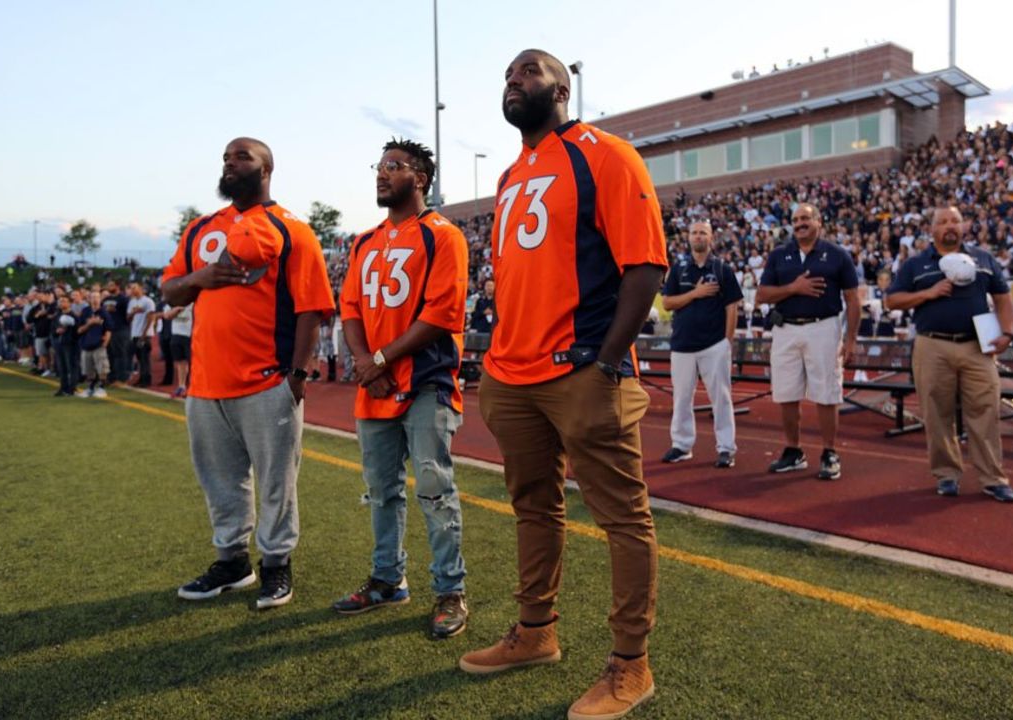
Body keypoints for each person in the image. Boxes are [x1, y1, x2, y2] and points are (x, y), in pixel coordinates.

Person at [457, 49, 666, 720]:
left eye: (527, 70)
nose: (512, 81)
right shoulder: (514, 173)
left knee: (622, 519)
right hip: (513, 372)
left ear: (561, 87)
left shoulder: (605, 154)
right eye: (507, 76)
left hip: (579, 368)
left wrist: (606, 362)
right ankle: (535, 631)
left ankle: (631, 665)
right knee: (533, 507)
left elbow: (646, 266)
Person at [163, 137, 335, 609]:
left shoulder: (293, 228)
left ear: (267, 168)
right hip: (205, 384)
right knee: (219, 480)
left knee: (277, 481)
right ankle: (232, 562)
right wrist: (200, 278)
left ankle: (277, 565)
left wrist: (297, 376)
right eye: (225, 157)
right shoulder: (201, 228)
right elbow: (170, 290)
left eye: (242, 156)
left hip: (266, 382)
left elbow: (311, 309)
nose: (230, 163)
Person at [332, 138, 471, 639]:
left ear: (421, 178)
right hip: (376, 384)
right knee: (381, 492)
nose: (381, 173)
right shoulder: (363, 241)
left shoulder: (442, 235)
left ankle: (450, 590)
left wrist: (382, 358)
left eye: (394, 166)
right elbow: (349, 308)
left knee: (435, 490)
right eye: (380, 165)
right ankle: (388, 579)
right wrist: (365, 360)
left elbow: (441, 314)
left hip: (425, 381)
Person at [884, 206, 1013, 503]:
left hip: (977, 347)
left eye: (955, 221)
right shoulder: (916, 264)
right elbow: (892, 300)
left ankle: (993, 478)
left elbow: (1002, 298)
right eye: (943, 222)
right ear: (931, 230)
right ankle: (947, 474)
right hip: (933, 345)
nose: (949, 226)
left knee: (985, 410)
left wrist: (1008, 332)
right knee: (936, 413)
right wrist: (928, 293)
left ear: (964, 226)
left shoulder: (983, 259)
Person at [755, 203, 860, 481]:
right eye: (796, 219)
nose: (800, 223)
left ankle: (829, 451)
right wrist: (793, 288)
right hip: (786, 329)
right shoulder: (780, 255)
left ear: (818, 221)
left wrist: (850, 341)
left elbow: (852, 298)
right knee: (786, 393)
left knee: (827, 393)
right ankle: (793, 451)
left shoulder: (836, 255)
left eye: (805, 218)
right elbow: (762, 295)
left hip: (823, 328)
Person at [659, 221, 742, 468]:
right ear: (688, 237)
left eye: (702, 233)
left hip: (713, 344)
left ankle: (726, 448)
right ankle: (682, 445)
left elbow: (732, 306)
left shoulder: (722, 268)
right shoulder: (678, 268)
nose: (698, 236)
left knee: (721, 398)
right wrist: (695, 293)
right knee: (682, 398)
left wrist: (727, 341)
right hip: (682, 344)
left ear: (711, 238)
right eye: (694, 232)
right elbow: (667, 303)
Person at [76, 291, 113, 397]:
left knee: (102, 367)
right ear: (89, 299)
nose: (95, 299)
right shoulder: (85, 311)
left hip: (98, 344)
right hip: (86, 344)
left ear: (100, 299)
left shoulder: (104, 312)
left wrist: (105, 343)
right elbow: (79, 330)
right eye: (92, 297)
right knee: (88, 369)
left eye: (97, 297)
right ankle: (90, 388)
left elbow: (109, 329)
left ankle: (101, 388)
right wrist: (90, 324)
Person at [127, 283, 157, 386]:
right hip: (135, 333)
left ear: (140, 288)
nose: (132, 290)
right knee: (139, 358)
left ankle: (146, 380)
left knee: (145, 358)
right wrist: (133, 313)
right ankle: (141, 378)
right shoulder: (132, 302)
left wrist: (144, 334)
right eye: (131, 288)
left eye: (134, 287)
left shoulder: (148, 301)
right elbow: (128, 318)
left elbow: (151, 317)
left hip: (144, 334)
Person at [50, 296, 81, 397]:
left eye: (64, 301)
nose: (61, 303)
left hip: (71, 344)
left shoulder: (74, 316)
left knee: (72, 367)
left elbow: (78, 330)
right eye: (60, 301)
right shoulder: (57, 316)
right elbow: (52, 330)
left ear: (69, 303)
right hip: (59, 344)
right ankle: (63, 388)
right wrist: (57, 331)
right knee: (61, 367)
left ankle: (72, 388)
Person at [167, 302, 193, 397]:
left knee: (192, 363)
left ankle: (192, 387)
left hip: (189, 335)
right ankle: (181, 386)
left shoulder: (193, 303)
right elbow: (167, 316)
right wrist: (176, 310)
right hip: (176, 335)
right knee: (180, 362)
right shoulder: (174, 302)